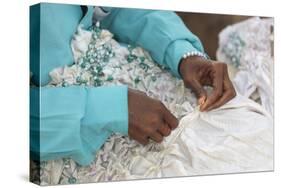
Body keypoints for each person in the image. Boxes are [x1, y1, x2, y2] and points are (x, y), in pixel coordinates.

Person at [30, 3, 236, 166]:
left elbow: (120, 10)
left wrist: (183, 53)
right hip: (62, 133)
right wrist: (110, 109)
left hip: (128, 70)